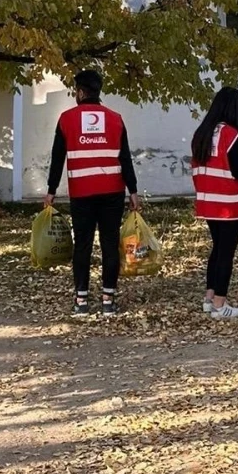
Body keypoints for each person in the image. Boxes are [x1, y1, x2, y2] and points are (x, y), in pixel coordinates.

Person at [44, 70, 140, 316]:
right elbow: (125, 158)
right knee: (109, 244)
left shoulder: (67, 119)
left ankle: (81, 301)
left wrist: (51, 190)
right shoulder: (116, 119)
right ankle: (108, 300)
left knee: (83, 245)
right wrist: (133, 190)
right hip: (112, 192)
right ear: (98, 91)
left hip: (82, 193)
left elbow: (58, 158)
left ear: (80, 92)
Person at [190, 86, 238, 321]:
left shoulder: (202, 133)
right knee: (226, 252)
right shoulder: (230, 135)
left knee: (217, 249)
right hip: (230, 203)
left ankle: (209, 298)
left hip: (209, 202)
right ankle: (220, 303)